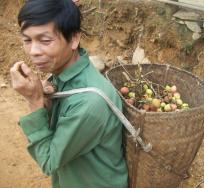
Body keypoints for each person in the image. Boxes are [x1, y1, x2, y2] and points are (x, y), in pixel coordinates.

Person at [10, 0, 128, 188]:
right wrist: (46, 99)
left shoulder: (89, 103)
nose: (33, 51)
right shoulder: (62, 75)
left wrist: (34, 100)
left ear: (74, 39)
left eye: (45, 40)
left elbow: (49, 161)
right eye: (27, 40)